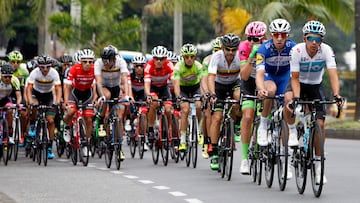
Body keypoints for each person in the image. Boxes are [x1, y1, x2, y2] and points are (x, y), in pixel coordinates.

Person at [283, 20, 344, 184]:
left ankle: (318, 166)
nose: (314, 43)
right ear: (304, 39)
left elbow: (333, 75)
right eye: (311, 38)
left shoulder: (326, 51)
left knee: (320, 125)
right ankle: (292, 132)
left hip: (315, 86)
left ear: (322, 41)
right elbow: (294, 79)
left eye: (318, 39)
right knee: (288, 101)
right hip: (298, 84)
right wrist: (297, 98)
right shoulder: (296, 51)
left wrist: (337, 94)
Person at [255, 18, 296, 146]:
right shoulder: (263, 49)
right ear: (271, 35)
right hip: (270, 76)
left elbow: (296, 73)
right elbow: (259, 73)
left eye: (283, 35)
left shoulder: (293, 48)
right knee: (270, 91)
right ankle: (263, 124)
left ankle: (288, 145)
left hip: (285, 76)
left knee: (289, 100)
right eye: (276, 35)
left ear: (287, 36)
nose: (279, 38)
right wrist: (261, 88)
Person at [207, 33, 241, 170]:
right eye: (228, 49)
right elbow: (210, 77)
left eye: (233, 49)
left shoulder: (240, 57)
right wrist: (213, 94)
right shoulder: (216, 57)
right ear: (222, 48)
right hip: (219, 86)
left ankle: (236, 124)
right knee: (217, 118)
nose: (230, 53)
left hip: (234, 83)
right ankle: (214, 152)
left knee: (238, 98)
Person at [238, 21, 267, 174]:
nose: (251, 42)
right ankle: (244, 159)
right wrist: (251, 56)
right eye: (249, 38)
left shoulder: (269, 46)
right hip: (249, 81)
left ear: (264, 39)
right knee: (248, 116)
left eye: (256, 39)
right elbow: (244, 75)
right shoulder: (244, 47)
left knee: (267, 112)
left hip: (264, 80)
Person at [94, 45, 129, 160]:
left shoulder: (121, 62)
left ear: (114, 59)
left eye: (108, 60)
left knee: (118, 117)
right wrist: (102, 96)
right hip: (103, 87)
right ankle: (101, 124)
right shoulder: (98, 63)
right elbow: (98, 82)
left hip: (116, 88)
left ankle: (118, 149)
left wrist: (127, 95)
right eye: (104, 59)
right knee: (106, 96)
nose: (105, 63)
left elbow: (124, 80)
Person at [63, 48, 99, 156]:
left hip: (87, 94)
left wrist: (95, 98)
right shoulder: (74, 69)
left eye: (90, 61)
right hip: (75, 93)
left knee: (88, 118)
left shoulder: (95, 69)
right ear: (80, 62)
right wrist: (66, 101)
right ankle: (67, 127)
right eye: (85, 61)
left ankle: (85, 144)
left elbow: (96, 86)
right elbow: (67, 86)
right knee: (70, 112)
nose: (88, 64)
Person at [26, 55, 62, 159]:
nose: (45, 69)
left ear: (51, 66)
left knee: (50, 121)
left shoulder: (54, 73)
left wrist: (57, 101)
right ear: (38, 67)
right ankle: (33, 125)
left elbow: (58, 89)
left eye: (47, 67)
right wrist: (30, 101)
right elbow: (29, 89)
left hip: (48, 96)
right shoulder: (34, 73)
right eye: (42, 67)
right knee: (34, 106)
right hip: (36, 94)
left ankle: (49, 147)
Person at [173, 43, 207, 151]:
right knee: (185, 110)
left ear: (194, 57)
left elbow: (203, 82)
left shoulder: (198, 66)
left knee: (198, 105)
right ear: (183, 57)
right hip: (183, 89)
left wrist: (204, 94)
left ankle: (199, 131)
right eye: (186, 57)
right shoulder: (178, 67)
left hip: (195, 87)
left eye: (191, 56)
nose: (189, 59)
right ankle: (182, 141)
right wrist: (178, 96)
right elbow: (176, 84)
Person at [144, 46, 174, 144]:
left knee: (168, 109)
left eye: (161, 59)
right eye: (156, 58)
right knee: (154, 103)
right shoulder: (149, 66)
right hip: (153, 88)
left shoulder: (169, 65)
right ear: (153, 58)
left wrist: (178, 93)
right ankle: (151, 128)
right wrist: (148, 95)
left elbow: (175, 80)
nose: (159, 61)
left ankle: (166, 130)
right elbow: (147, 83)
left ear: (165, 59)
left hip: (164, 88)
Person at [200, 37, 222, 159]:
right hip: (211, 86)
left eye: (220, 49)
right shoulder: (208, 60)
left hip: (223, 85)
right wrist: (206, 93)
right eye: (216, 50)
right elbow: (204, 79)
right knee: (208, 110)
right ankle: (208, 141)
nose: (218, 52)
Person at [8, 50, 29, 146]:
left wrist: (25, 101)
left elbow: (24, 88)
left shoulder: (24, 72)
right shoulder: (5, 69)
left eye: (18, 62)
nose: (15, 64)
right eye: (13, 62)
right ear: (9, 61)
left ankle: (22, 132)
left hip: (20, 90)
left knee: (23, 113)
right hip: (9, 91)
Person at [0, 64, 22, 144]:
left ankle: (9, 132)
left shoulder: (14, 80)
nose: (7, 79)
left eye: (9, 77)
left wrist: (18, 104)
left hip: (6, 99)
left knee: (9, 111)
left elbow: (18, 95)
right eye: (5, 77)